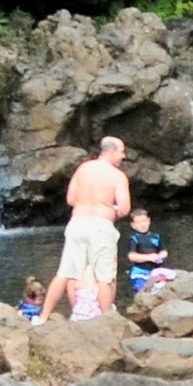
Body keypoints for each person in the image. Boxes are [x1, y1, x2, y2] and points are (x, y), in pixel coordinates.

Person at [57, 134, 133, 318]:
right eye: (122, 152)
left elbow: (70, 199)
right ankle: (106, 318)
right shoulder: (117, 175)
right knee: (105, 276)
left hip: (78, 223)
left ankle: (77, 313)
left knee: (74, 271)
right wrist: (109, 209)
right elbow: (124, 208)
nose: (123, 157)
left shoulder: (83, 168)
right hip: (100, 226)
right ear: (112, 151)